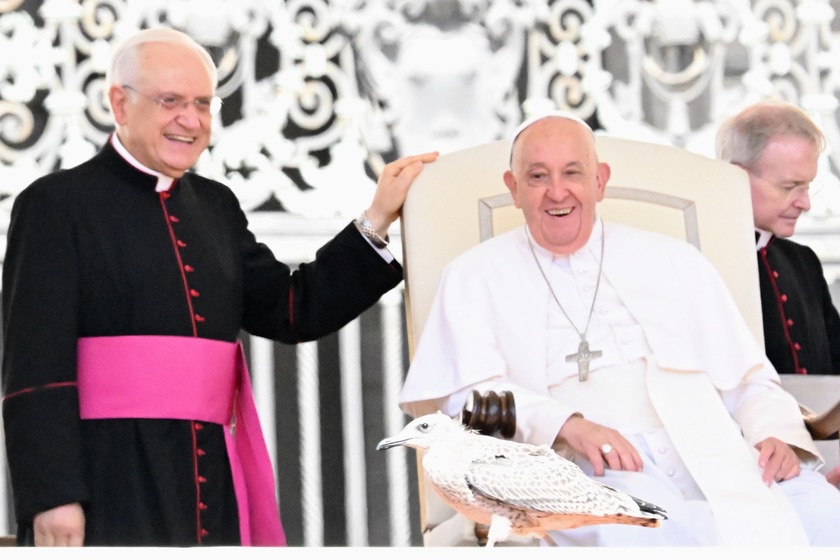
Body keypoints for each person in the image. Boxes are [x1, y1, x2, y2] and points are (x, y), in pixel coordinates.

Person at [0, 27, 437, 547]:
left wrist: (376, 218)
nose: (190, 120)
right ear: (120, 102)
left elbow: (291, 309)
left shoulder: (216, 206)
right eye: (171, 102)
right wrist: (54, 496)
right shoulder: (55, 205)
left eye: (203, 104)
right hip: (108, 478)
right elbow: (34, 367)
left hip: (209, 473)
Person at [397, 111, 840, 546]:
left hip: (712, 451)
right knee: (635, 537)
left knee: (825, 518)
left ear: (600, 181)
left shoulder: (675, 260)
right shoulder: (473, 276)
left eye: (573, 172)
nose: (557, 192)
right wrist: (567, 424)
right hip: (577, 468)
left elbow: (748, 379)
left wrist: (776, 436)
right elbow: (462, 396)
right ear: (512, 189)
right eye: (537, 177)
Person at [716, 100, 840, 487]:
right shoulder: (702, 260)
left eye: (807, 186)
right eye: (790, 187)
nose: (805, 202)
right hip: (748, 468)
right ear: (735, 177)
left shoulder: (802, 261)